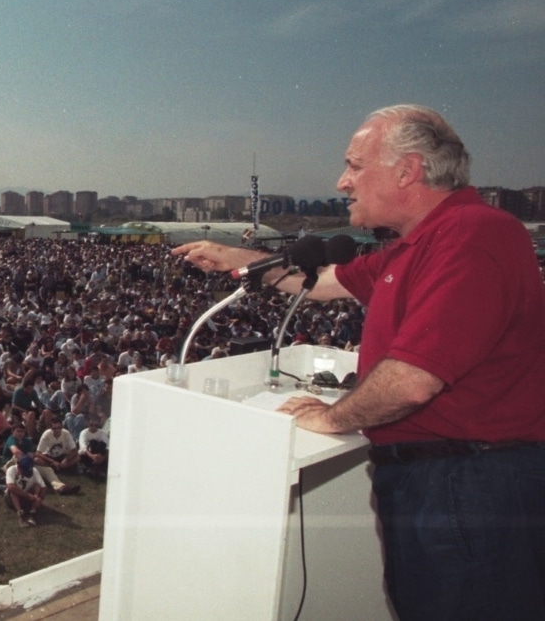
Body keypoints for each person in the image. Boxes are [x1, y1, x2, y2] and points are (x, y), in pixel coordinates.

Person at [174, 104, 545, 621]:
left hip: (470, 482)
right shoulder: (413, 245)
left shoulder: (472, 233)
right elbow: (322, 284)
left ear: (407, 170)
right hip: (438, 478)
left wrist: (329, 416)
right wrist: (236, 258)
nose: (341, 181)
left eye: (354, 165)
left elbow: (412, 382)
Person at [5, 456, 46, 527]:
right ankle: (20, 514)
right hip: (12, 498)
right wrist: (28, 495)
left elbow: (43, 486)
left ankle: (32, 513)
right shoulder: (11, 470)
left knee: (37, 485)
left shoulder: (34, 471)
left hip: (27, 497)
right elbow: (11, 487)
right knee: (13, 491)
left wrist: (38, 497)